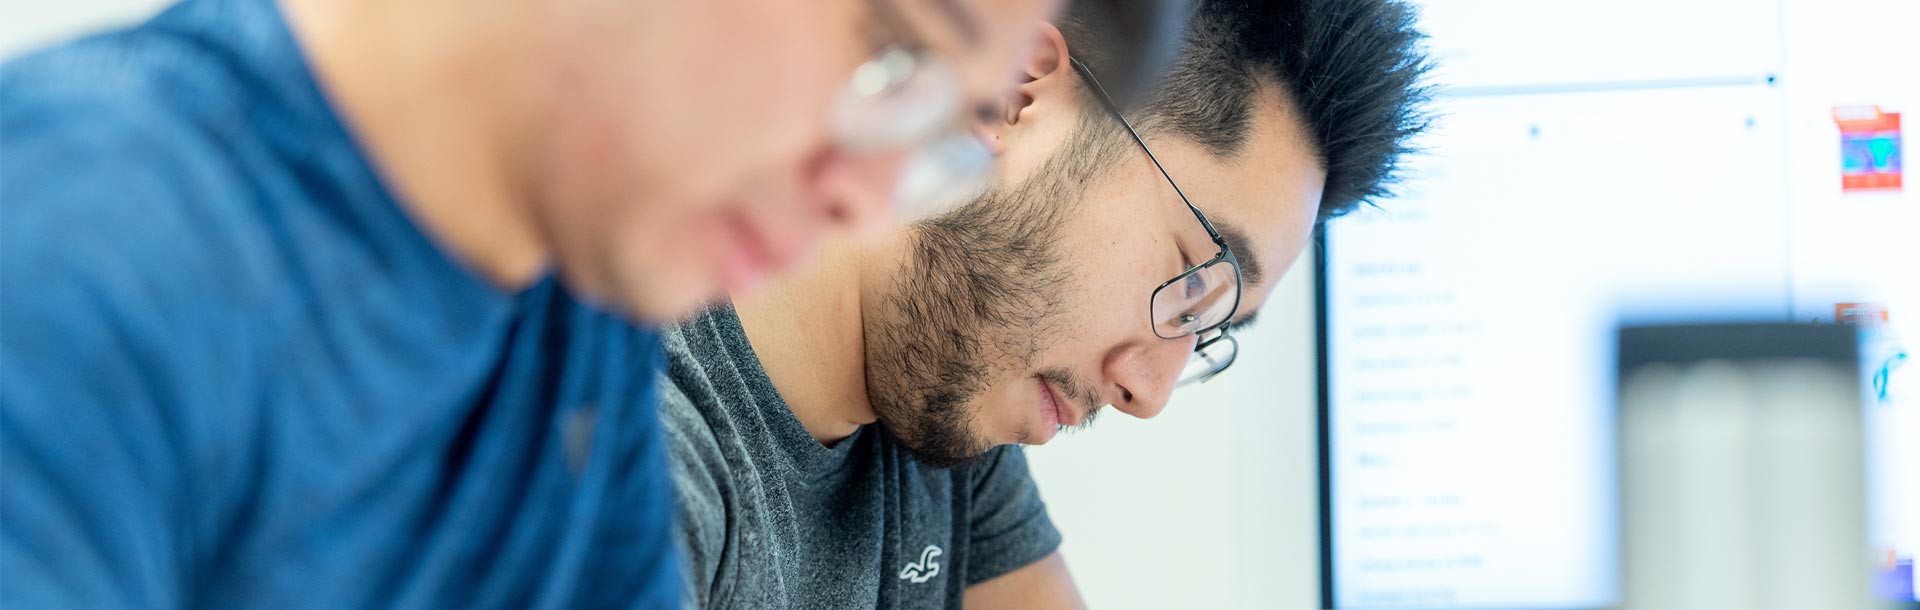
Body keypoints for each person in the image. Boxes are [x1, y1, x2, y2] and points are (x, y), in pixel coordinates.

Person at [0, 0, 1188, 607]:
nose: (869, 199)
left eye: (937, 127)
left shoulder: (572, 331)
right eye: (885, 54)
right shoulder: (85, 259)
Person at [657, 0, 1433, 607]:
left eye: (1206, 330)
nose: (1149, 394)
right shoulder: (647, 447)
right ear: (1016, 91)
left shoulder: (947, 389)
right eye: (1193, 283)